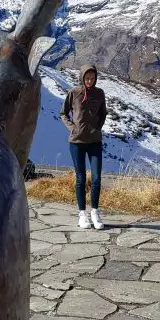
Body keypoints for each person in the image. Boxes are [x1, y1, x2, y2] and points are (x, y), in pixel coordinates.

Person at [60, 64, 107, 229]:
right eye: (87, 78)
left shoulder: (99, 94)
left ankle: (95, 212)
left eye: (92, 78)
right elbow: (63, 113)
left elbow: (103, 114)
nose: (89, 81)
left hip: (95, 142)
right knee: (80, 179)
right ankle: (82, 215)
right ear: (82, 77)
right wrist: (73, 128)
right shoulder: (74, 92)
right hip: (77, 143)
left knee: (96, 178)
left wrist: (97, 128)